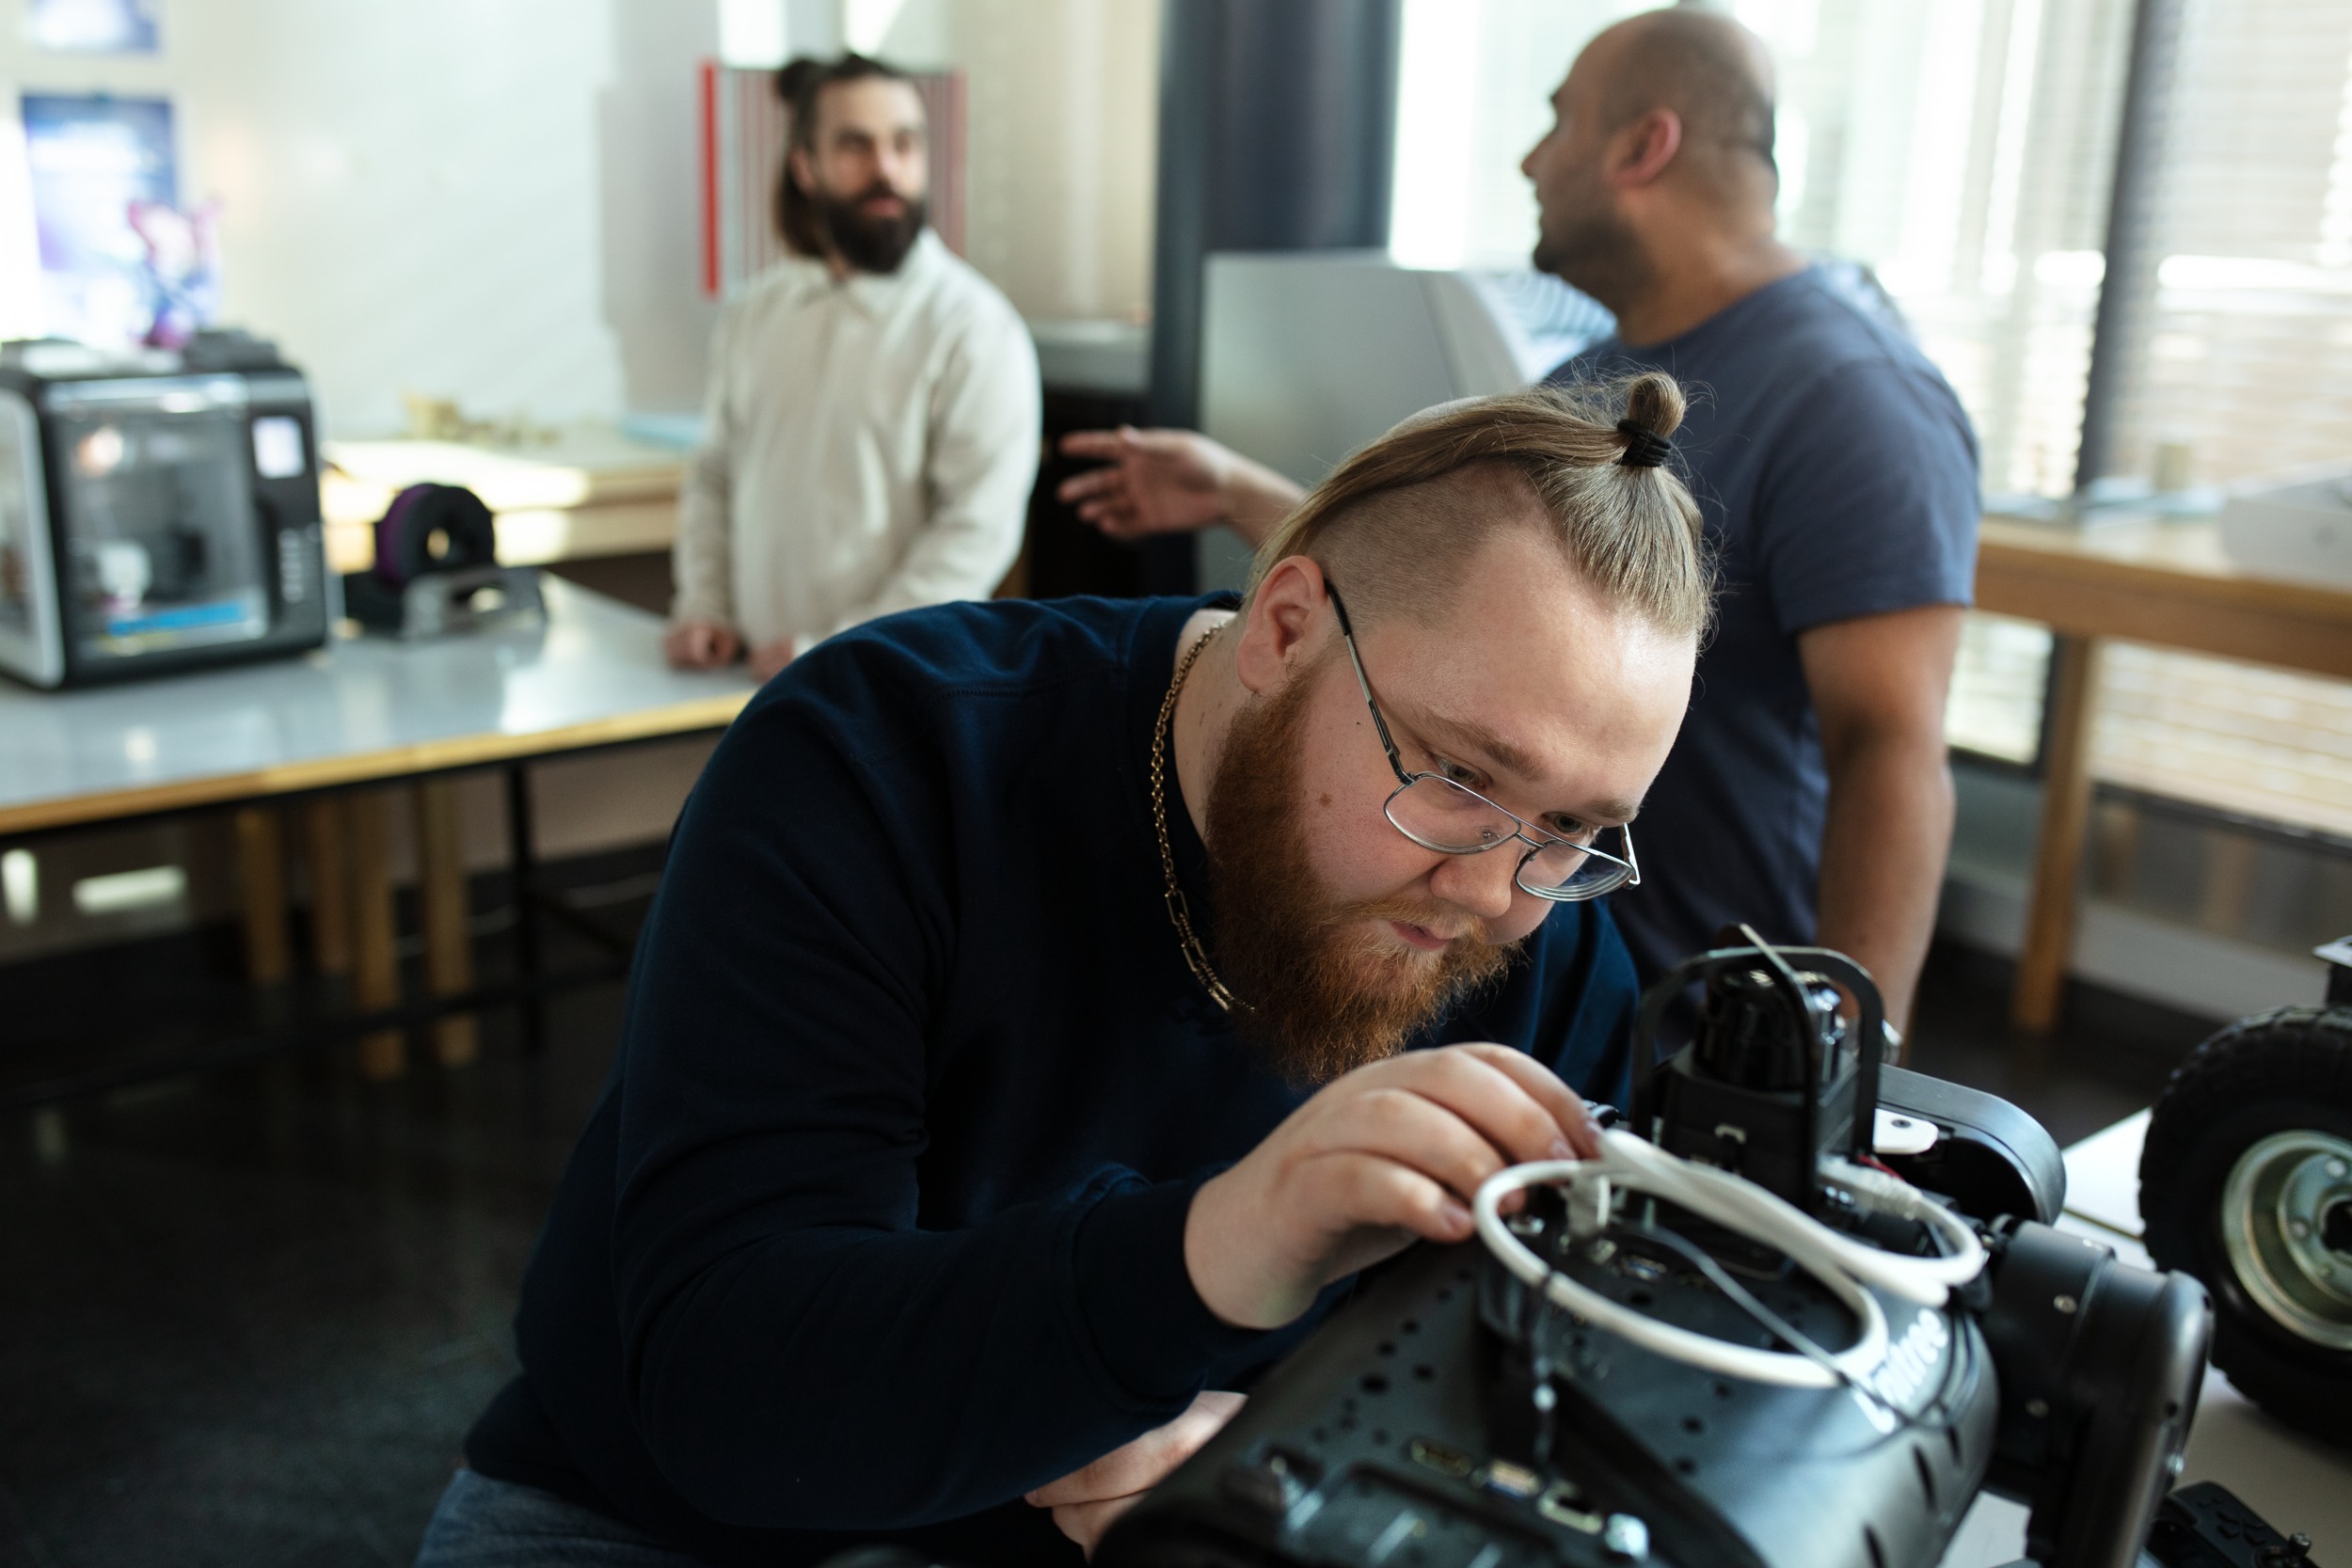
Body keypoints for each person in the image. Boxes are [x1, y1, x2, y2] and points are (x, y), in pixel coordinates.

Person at [416, 377, 1711, 1567]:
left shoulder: (1534, 921)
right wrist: (1220, 1244)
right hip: (669, 1514)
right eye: (1458, 777)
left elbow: (1546, 1379)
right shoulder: (880, 763)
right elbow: (734, 1389)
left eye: (1578, 828)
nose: (1500, 895)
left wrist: (1302, 1465)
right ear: (1285, 625)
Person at [1062, 8, 1978, 1035]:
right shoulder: (1586, 385)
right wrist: (1236, 490)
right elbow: (1437, 592)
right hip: (1497, 965)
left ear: (1645, 145)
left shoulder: (1852, 396)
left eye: (1560, 122)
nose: (1531, 158)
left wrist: (1847, 1062)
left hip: (1691, 1013)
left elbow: (1891, 748)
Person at [665, 53, 1041, 683]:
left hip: (894, 688)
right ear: (804, 166)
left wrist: (838, 647)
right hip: (750, 683)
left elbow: (975, 533)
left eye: (905, 144)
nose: (886, 169)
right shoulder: (756, 313)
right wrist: (705, 607)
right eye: (856, 145)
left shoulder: (974, 327)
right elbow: (715, 478)